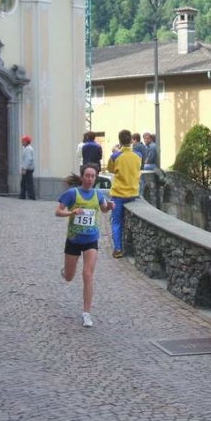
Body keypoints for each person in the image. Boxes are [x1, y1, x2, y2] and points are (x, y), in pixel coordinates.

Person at [56, 164, 115, 327]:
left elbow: (104, 209)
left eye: (93, 176)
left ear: (96, 178)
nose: (90, 179)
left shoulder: (98, 194)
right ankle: (65, 271)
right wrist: (71, 212)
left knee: (87, 274)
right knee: (69, 277)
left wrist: (109, 207)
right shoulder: (72, 194)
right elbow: (58, 211)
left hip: (91, 239)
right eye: (87, 176)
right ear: (82, 177)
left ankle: (86, 314)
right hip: (74, 240)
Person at [107, 130, 142, 258]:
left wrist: (115, 152)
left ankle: (118, 249)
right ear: (131, 140)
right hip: (133, 193)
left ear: (120, 141)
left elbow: (111, 170)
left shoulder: (115, 156)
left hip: (118, 194)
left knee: (116, 222)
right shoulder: (138, 155)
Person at [20, 135, 36, 200]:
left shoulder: (28, 149)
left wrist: (24, 168)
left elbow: (28, 159)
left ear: (26, 142)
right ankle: (22, 196)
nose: (22, 142)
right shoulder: (27, 148)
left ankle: (31, 197)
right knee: (23, 183)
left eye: (23, 141)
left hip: (28, 169)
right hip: (27, 169)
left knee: (28, 184)